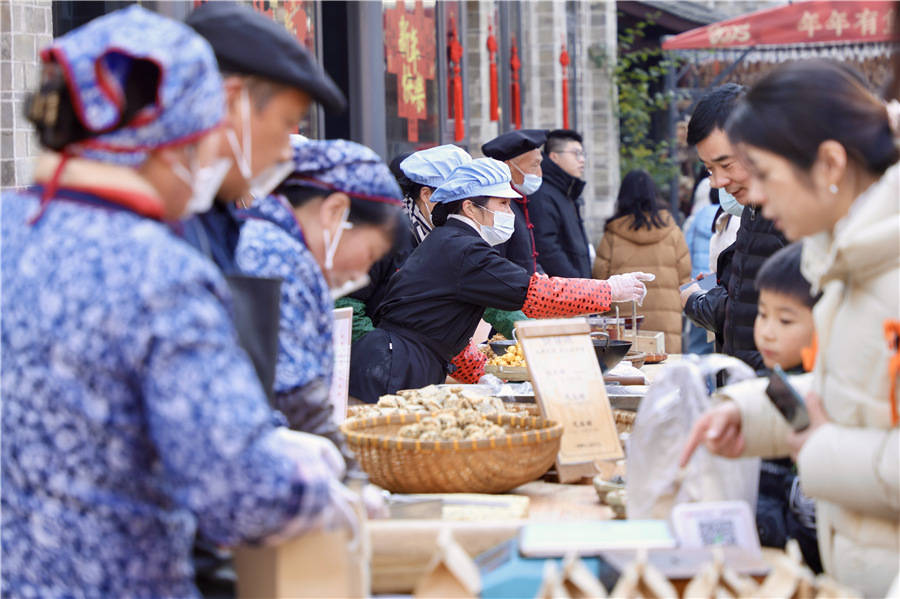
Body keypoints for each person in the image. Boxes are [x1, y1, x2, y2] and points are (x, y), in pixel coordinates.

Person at [0, 7, 351, 597]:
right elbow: (240, 496)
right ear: (177, 137)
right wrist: (311, 477)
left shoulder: (12, 229)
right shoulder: (161, 272)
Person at [681, 58, 899, 597]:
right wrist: (749, 412)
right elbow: (844, 396)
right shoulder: (846, 263)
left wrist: (818, 449)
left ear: (828, 164)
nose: (753, 195)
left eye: (765, 173)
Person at [348, 158, 653, 404]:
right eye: (503, 205)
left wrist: (482, 374)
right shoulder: (463, 249)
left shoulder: (447, 241)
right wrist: (608, 290)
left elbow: (436, 330)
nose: (511, 214)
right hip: (391, 368)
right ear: (469, 207)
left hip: (396, 361)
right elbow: (535, 293)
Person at [182, 2, 347, 401]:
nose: (287, 152)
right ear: (232, 103)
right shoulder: (161, 227)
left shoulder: (214, 219)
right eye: (284, 122)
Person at [235, 138, 404, 469]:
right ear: (334, 213)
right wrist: (350, 476)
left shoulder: (278, 247)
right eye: (370, 254)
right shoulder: (275, 256)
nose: (363, 273)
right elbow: (295, 396)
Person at [339, 145, 527, 344]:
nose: (462, 204)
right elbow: (345, 306)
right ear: (427, 194)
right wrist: (381, 349)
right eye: (452, 195)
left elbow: (489, 292)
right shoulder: (380, 237)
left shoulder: (452, 240)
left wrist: (529, 334)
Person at [680, 83, 787, 373]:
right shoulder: (753, 207)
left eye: (726, 164)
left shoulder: (789, 211)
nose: (718, 182)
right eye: (710, 169)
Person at [751, 244, 821, 573]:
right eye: (762, 314)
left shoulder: (820, 399)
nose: (767, 331)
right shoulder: (767, 384)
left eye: (785, 320)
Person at [593, 169, 691, 352]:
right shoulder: (673, 232)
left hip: (624, 323)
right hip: (666, 322)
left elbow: (601, 279)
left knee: (628, 374)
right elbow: (684, 279)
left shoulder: (612, 235)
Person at [481, 128, 549, 274]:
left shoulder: (519, 201)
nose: (540, 173)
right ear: (509, 167)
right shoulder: (497, 207)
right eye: (534, 165)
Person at [528, 129, 593, 279]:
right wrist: (576, 282)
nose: (582, 159)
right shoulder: (543, 193)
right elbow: (546, 247)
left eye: (583, 154)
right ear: (554, 157)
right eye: (576, 153)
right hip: (565, 292)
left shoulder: (567, 190)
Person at [682, 179, 719, 354]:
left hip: (699, 283)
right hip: (719, 283)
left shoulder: (698, 218)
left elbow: (687, 249)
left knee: (698, 342)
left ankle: (695, 379)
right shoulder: (731, 218)